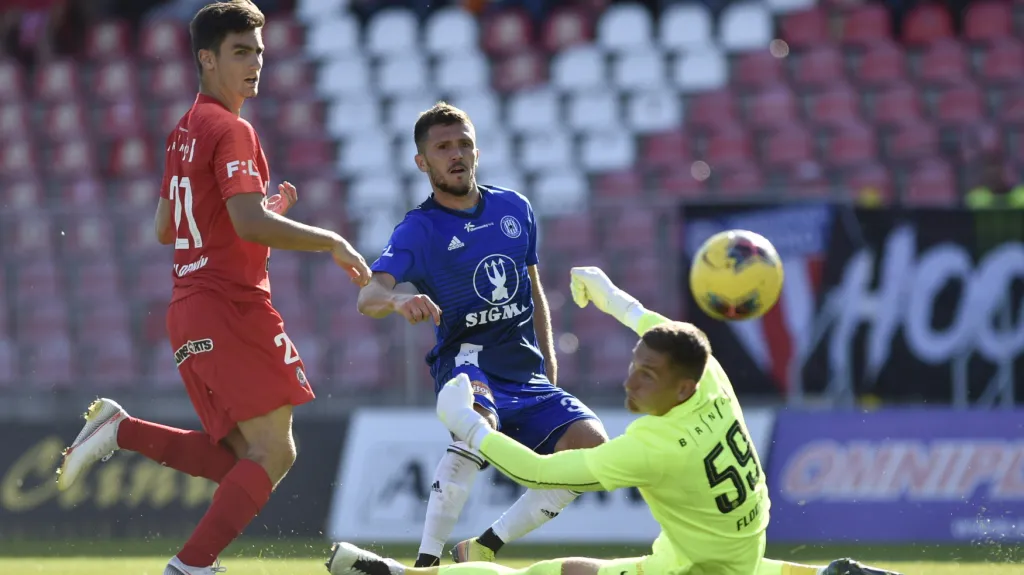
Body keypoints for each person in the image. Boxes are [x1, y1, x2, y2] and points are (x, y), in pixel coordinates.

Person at [55, 2, 371, 574]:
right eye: (240, 52)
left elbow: (166, 227)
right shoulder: (231, 128)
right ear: (207, 58)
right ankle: (191, 565)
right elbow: (245, 223)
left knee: (240, 460)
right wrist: (330, 240)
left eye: (259, 53)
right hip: (230, 305)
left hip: (190, 307)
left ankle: (121, 431)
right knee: (275, 450)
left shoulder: (184, 131)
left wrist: (253, 216)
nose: (255, 64)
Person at [329, 267, 901, 575]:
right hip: (728, 550)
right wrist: (613, 300)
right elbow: (661, 330)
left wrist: (473, 428)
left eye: (647, 376)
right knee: (589, 571)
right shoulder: (710, 378)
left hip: (698, 571)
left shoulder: (654, 446)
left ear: (679, 387)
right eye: (634, 366)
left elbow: (543, 473)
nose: (631, 380)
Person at [356, 102, 609, 566]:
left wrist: (548, 365)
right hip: (467, 365)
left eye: (464, 144)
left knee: (594, 452)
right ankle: (427, 561)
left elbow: (533, 291)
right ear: (422, 162)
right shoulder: (419, 229)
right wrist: (397, 301)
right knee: (478, 424)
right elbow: (368, 296)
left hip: (526, 373)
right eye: (443, 147)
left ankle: (485, 545)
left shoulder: (515, 208)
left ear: (478, 150)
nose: (456, 154)